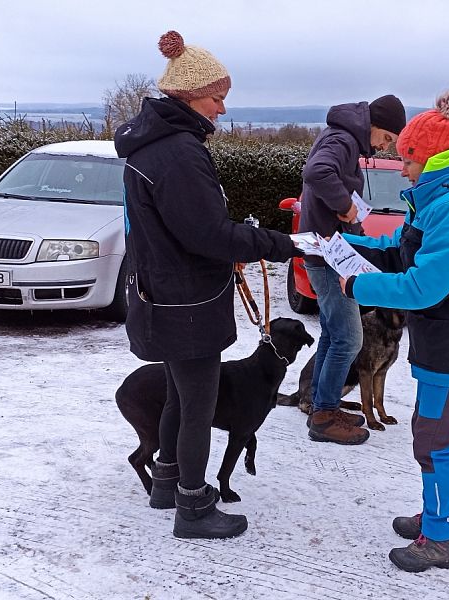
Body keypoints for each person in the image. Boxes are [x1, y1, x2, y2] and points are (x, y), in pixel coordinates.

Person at [114, 30, 301, 539]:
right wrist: (283, 244)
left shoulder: (154, 147)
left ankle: (166, 484)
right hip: (187, 305)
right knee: (197, 406)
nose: (222, 109)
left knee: (179, 398)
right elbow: (209, 235)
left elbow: (187, 231)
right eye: (217, 97)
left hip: (167, 297)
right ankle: (193, 508)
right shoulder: (177, 154)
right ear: (189, 95)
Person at [340, 86, 449, 572]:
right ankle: (434, 515)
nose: (401, 166)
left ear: (427, 158)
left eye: (407, 159)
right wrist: (341, 242)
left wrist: (357, 289)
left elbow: (423, 286)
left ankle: (441, 536)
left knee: (432, 439)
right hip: (445, 340)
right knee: (426, 432)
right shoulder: (441, 198)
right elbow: (403, 245)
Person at [299, 93, 406, 445]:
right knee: (350, 337)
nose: (385, 147)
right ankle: (325, 414)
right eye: (387, 138)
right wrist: (344, 206)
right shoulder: (342, 138)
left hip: (329, 249)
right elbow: (316, 172)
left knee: (333, 332)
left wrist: (356, 231)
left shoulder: (343, 137)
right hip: (326, 254)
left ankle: (320, 402)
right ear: (374, 125)